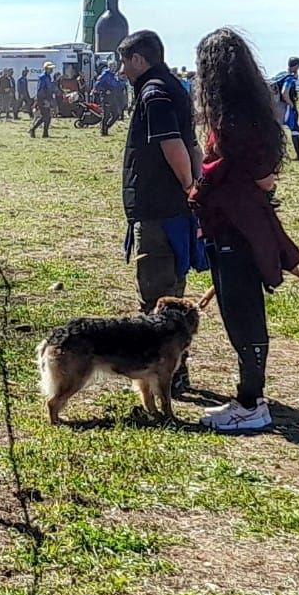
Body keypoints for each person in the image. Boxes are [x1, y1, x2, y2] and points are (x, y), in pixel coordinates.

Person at [189, 28, 299, 433]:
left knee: (243, 315)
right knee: (239, 312)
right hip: (232, 225)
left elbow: (245, 168)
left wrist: (207, 182)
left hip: (236, 227)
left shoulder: (235, 118)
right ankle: (248, 396)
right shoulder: (249, 111)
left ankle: (252, 402)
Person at [117, 29, 201, 393]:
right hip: (172, 207)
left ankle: (166, 373)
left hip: (160, 207)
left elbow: (173, 144)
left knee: (157, 291)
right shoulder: (175, 87)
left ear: (139, 60)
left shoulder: (153, 94)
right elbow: (193, 143)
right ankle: (167, 370)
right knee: (171, 286)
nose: (121, 71)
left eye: (124, 62)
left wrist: (187, 185)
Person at [276, 56, 299, 162]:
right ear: (297, 66)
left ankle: (297, 152)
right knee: (295, 128)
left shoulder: (281, 75)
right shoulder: (289, 78)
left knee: (279, 129)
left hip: (278, 106)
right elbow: (284, 92)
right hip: (286, 107)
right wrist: (291, 103)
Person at [29, 62, 56, 138]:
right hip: (42, 99)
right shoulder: (42, 77)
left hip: (47, 99)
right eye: (50, 68)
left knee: (47, 116)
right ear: (46, 69)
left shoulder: (48, 77)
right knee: (45, 116)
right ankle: (33, 129)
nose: (52, 70)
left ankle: (45, 133)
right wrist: (44, 100)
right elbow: (40, 90)